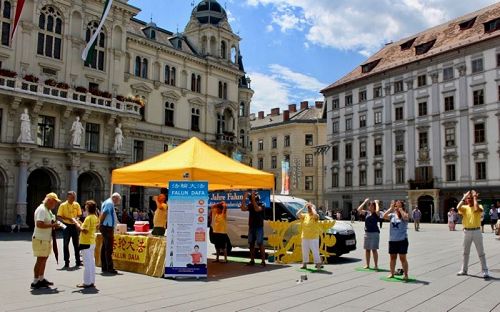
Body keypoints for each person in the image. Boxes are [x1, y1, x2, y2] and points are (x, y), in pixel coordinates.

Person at [31, 192, 61, 289]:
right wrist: (53, 225)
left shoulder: (48, 210)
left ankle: (41, 278)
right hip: (40, 239)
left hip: (46, 239)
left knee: (44, 259)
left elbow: (50, 221)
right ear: (49, 200)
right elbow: (39, 224)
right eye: (54, 202)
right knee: (40, 259)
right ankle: (35, 281)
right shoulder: (42, 210)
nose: (55, 204)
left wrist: (54, 224)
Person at [457, 190, 489, 278]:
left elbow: (475, 209)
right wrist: (464, 197)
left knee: (481, 252)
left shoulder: (479, 206)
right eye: (468, 198)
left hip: (476, 231)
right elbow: (458, 207)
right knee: (465, 252)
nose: (469, 200)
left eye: (471, 198)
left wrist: (475, 197)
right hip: (467, 231)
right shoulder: (464, 207)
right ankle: (464, 270)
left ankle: (485, 271)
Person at [75, 200, 99, 288]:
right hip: (92, 241)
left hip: (86, 242)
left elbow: (84, 230)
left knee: (87, 263)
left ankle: (87, 282)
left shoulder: (88, 218)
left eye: (85, 206)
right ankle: (92, 281)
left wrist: (77, 224)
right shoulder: (95, 217)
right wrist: (81, 224)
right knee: (91, 262)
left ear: (88, 208)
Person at [384, 200, 409, 281]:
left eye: (398, 205)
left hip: (402, 240)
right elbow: (384, 216)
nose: (396, 207)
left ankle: (405, 274)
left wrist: (400, 209)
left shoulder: (404, 214)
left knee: (402, 258)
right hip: (393, 240)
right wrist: (390, 208)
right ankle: (391, 273)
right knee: (392, 258)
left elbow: (406, 217)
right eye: (396, 206)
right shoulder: (392, 215)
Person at [57, 191, 82, 269]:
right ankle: (66, 262)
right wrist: (68, 219)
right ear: (67, 197)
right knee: (65, 244)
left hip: (74, 225)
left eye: (74, 197)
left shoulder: (76, 204)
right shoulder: (63, 205)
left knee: (76, 244)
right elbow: (59, 216)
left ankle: (78, 261)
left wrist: (76, 219)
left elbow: (79, 214)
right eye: (71, 197)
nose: (73, 199)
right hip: (66, 225)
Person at [240, 191, 266, 266]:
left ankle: (263, 261)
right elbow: (243, 209)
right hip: (251, 227)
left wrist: (253, 200)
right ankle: (252, 260)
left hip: (259, 227)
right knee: (251, 244)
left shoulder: (262, 204)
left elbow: (257, 209)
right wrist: (244, 199)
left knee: (260, 243)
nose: (252, 199)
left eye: (253, 198)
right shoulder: (251, 205)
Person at [99, 192, 121, 274]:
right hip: (107, 227)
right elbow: (104, 213)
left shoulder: (106, 202)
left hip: (106, 226)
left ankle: (104, 266)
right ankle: (109, 267)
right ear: (115, 198)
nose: (118, 202)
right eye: (118, 200)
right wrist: (100, 223)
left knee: (104, 247)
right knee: (108, 248)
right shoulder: (109, 203)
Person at [296, 203, 322, 270]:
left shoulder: (316, 216)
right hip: (305, 236)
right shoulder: (305, 215)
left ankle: (318, 265)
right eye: (308, 209)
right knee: (305, 251)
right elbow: (297, 214)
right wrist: (303, 207)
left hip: (313, 237)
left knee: (315, 251)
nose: (309, 210)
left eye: (310, 209)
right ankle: (304, 264)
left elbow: (315, 214)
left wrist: (312, 207)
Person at [357, 198, 380, 270]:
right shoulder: (367, 213)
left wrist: (376, 203)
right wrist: (364, 202)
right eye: (369, 205)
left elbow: (378, 211)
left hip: (374, 233)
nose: (370, 207)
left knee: (374, 250)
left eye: (372, 206)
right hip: (367, 233)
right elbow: (359, 209)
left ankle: (376, 265)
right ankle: (367, 264)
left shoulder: (376, 213)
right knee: (367, 250)